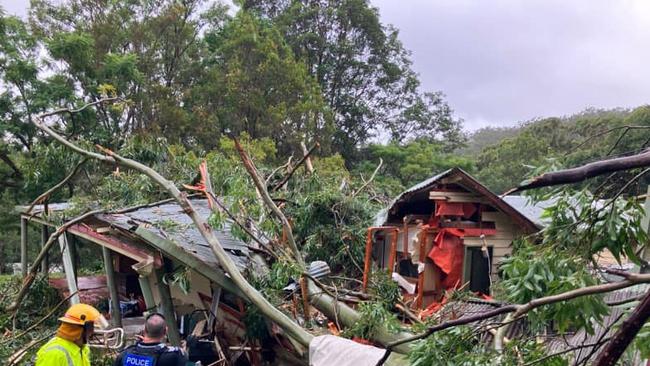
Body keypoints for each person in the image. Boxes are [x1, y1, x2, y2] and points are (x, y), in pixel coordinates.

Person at [35, 303, 109, 366]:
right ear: (78, 329)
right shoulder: (55, 354)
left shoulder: (82, 348)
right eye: (91, 328)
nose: (92, 332)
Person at [113, 313, 187, 366]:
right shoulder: (174, 355)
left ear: (144, 330)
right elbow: (185, 357)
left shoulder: (124, 354)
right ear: (165, 331)